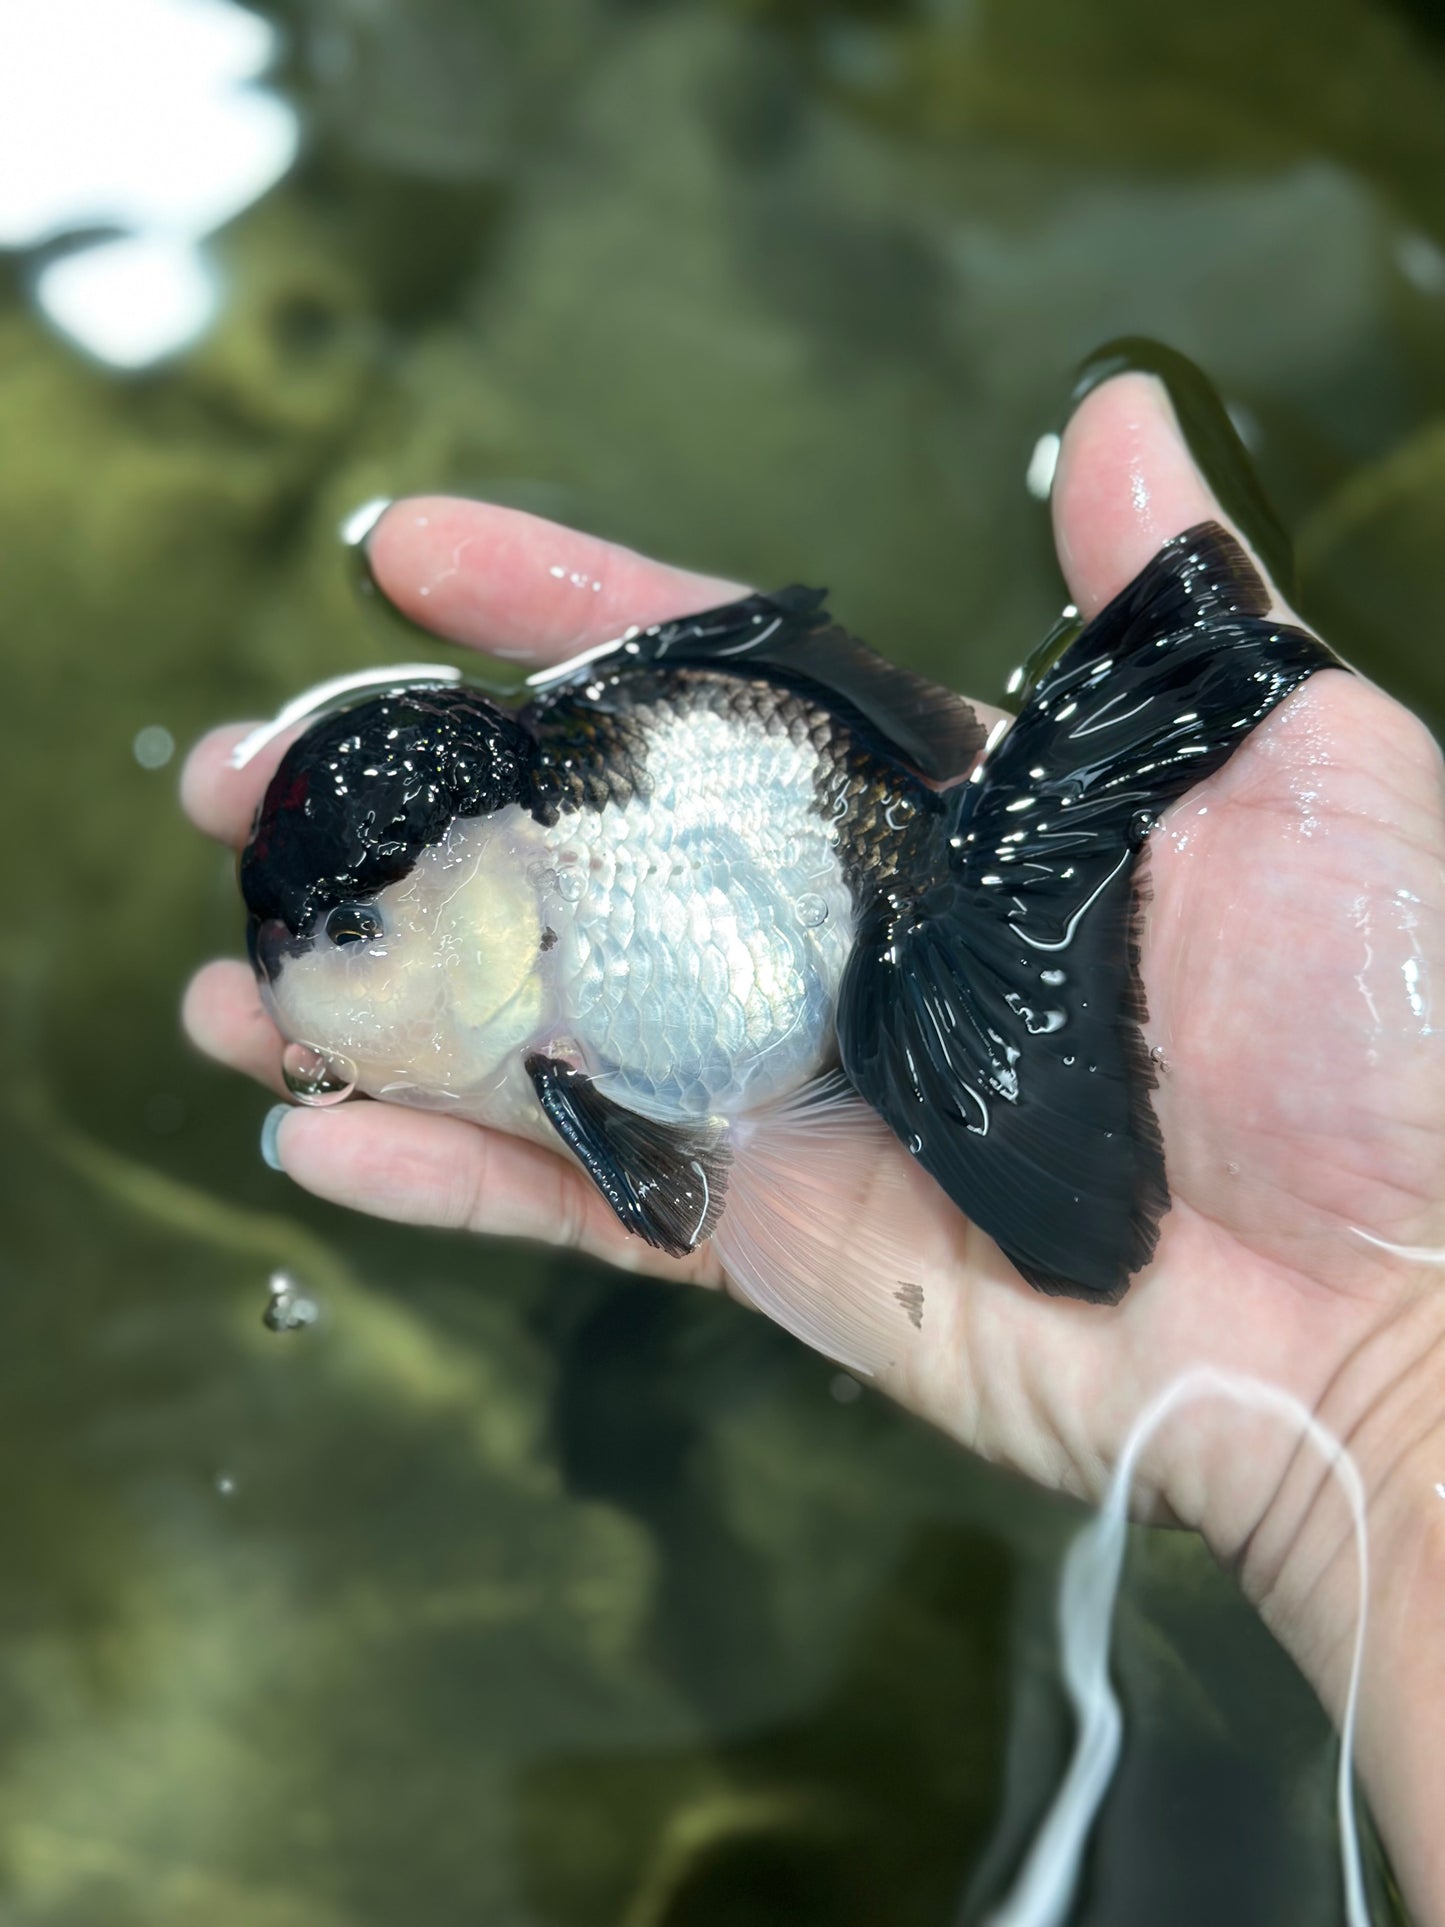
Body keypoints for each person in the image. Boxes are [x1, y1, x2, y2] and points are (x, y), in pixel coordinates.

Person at [181, 366, 1445, 1923]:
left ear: (498, 903)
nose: (318, 980)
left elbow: (681, 1186)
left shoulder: (583, 998)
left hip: (843, 884)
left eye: (362, 934)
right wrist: (1381, 1414)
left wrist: (1396, 1396)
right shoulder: (531, 968)